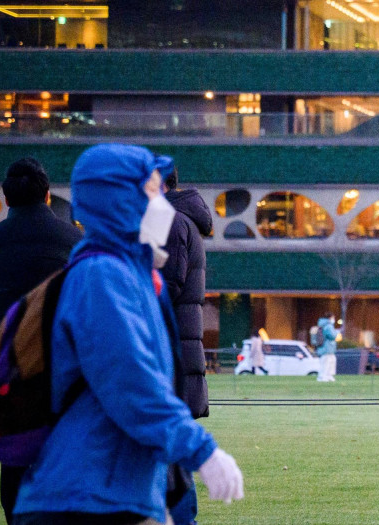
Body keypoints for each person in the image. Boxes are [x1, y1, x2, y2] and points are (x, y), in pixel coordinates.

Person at [12, 144, 243, 525]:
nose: (164, 206)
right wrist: (203, 451)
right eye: (152, 195)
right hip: (86, 497)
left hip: (112, 492)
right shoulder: (103, 278)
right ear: (120, 203)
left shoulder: (129, 277)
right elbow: (131, 384)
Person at [0, 157, 82, 524]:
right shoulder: (74, 240)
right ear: (48, 195)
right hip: (62, 366)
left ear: (7, 200)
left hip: (7, 367)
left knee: (15, 458)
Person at [154, 155, 212, 525]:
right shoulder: (177, 219)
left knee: (169, 458)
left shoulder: (168, 221)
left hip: (168, 352)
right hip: (175, 350)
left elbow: (165, 286)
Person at [316, 315, 339, 382]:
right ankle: (323, 376)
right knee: (326, 362)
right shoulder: (328, 326)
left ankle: (328, 376)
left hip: (327, 348)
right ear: (329, 318)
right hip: (327, 347)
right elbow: (332, 336)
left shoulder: (323, 325)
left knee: (330, 361)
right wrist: (337, 333)